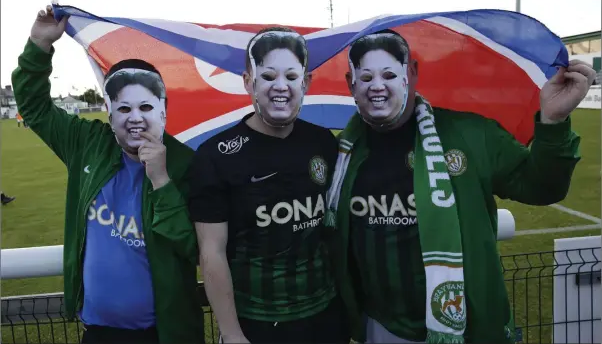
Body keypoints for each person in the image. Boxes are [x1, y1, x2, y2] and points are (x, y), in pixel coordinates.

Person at [325, 29, 596, 344]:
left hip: (469, 329)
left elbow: (541, 188)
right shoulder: (343, 153)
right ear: (351, 84)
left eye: (389, 73)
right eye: (366, 77)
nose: (378, 87)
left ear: (411, 73)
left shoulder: (471, 134)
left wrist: (554, 123)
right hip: (382, 326)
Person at [12, 6, 204, 344]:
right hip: (98, 332)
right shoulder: (88, 144)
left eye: (145, 107)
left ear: (163, 109)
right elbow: (35, 107)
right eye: (123, 108)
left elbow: (196, 249)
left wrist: (161, 182)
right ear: (110, 112)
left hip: (164, 334)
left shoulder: (186, 163)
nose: (135, 118)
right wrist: (39, 45)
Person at [187, 27, 349, 344]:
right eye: (269, 75)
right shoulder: (216, 156)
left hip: (325, 317)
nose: (281, 86)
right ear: (249, 82)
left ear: (306, 83)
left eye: (291, 76)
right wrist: (232, 334)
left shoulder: (322, 142)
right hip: (256, 324)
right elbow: (212, 252)